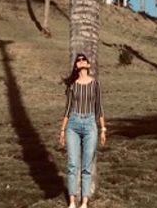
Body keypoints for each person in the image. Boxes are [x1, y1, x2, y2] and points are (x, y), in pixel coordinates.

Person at [58, 51, 107, 208]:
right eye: (78, 60)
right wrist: (62, 131)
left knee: (86, 165)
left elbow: (99, 108)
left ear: (88, 64)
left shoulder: (95, 84)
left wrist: (103, 129)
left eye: (83, 59)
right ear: (76, 66)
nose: (80, 61)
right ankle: (72, 202)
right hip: (73, 123)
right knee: (72, 164)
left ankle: (84, 202)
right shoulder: (73, 86)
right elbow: (67, 109)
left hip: (90, 124)